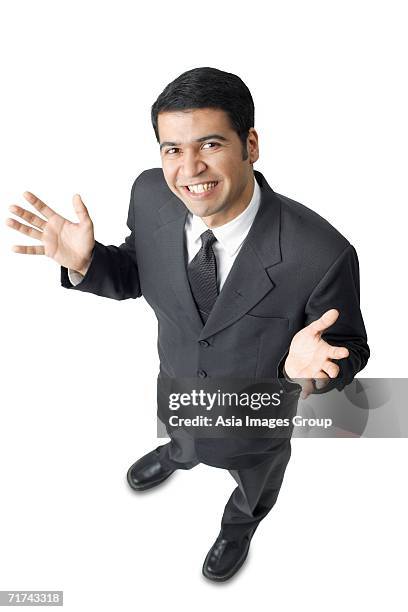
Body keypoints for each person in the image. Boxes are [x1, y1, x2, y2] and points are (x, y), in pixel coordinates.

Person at [6, 67, 370, 582]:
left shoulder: (322, 253)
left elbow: (348, 348)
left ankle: (239, 526)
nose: (188, 168)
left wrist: (305, 371)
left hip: (257, 417)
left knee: (254, 482)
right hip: (178, 382)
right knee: (186, 435)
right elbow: (139, 270)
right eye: (172, 149)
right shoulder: (151, 194)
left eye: (210, 144)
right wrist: (88, 263)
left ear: (251, 144)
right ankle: (180, 454)